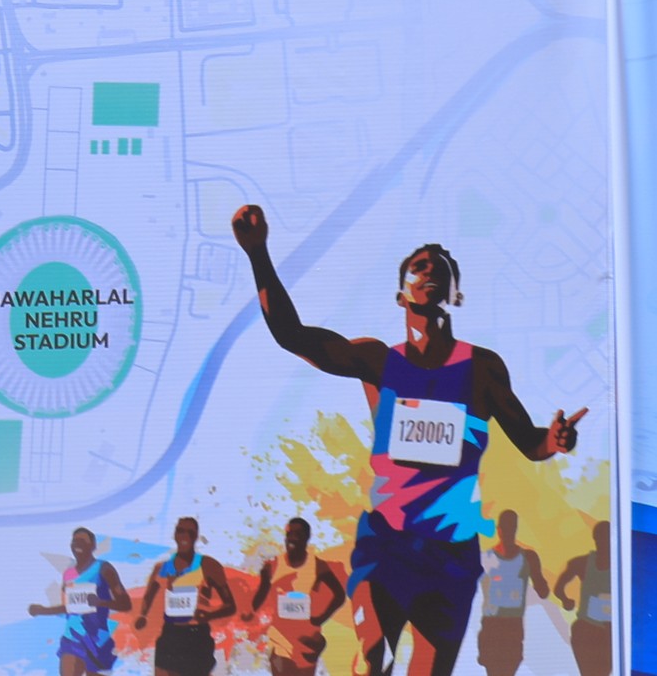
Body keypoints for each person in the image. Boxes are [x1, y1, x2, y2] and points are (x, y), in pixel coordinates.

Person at [234, 209, 585, 675]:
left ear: (456, 294)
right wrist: (257, 253)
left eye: (441, 269)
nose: (430, 271)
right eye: (419, 267)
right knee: (372, 658)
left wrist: (555, 440)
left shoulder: (482, 369)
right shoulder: (378, 361)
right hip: (388, 542)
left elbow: (529, 442)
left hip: (450, 552)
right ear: (401, 294)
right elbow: (292, 335)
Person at [249, 517, 347, 676]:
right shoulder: (272, 566)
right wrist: (249, 615)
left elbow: (339, 595)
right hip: (280, 641)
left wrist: (320, 618)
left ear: (307, 538)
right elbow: (259, 596)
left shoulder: (317, 566)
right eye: (289, 534)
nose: (292, 538)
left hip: (307, 643)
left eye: (298, 534)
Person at [26, 525, 130, 675]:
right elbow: (69, 607)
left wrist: (100, 602)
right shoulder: (68, 574)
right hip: (73, 638)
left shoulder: (104, 569)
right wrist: (42, 610)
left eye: (82, 541)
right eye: (74, 541)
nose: (77, 545)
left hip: (98, 640)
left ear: (93, 546)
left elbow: (125, 604)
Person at [141, 518, 234, 676]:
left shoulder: (208, 566)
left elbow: (230, 606)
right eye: (181, 531)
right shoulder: (161, 568)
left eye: (190, 532)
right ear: (175, 535)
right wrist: (142, 615)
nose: (185, 536)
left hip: (196, 636)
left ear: (196, 536)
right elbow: (148, 597)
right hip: (170, 634)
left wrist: (209, 615)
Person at [472, 511, 547, 676]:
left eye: (510, 528)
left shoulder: (528, 558)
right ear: (500, 530)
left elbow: (543, 591)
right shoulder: (485, 558)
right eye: (507, 528)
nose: (507, 532)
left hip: (511, 625)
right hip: (493, 625)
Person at [556, 521, 614, 676]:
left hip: (609, 633)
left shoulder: (622, 566)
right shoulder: (582, 563)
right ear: (595, 538)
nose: (604, 542)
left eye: (607, 538)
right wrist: (565, 600)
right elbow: (559, 587)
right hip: (586, 630)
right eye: (601, 538)